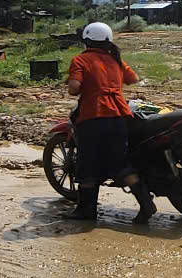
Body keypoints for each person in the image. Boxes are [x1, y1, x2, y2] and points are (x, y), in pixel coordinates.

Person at [65, 22, 156, 224]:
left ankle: (86, 211)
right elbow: (133, 79)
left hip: (93, 116)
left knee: (87, 164)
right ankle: (146, 204)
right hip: (119, 117)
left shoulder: (80, 60)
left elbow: (73, 89)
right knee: (121, 164)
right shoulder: (116, 60)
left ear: (87, 40)